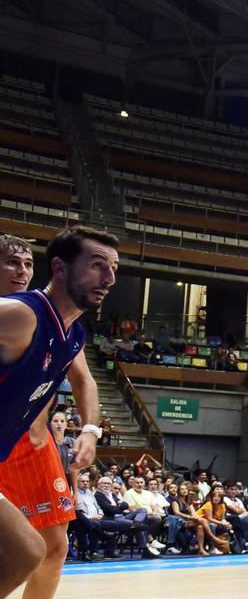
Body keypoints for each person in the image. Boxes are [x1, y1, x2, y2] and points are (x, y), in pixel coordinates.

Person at [0, 229, 114, 597]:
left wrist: (91, 429)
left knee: (41, 550)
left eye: (113, 269)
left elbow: (86, 384)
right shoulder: (22, 314)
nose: (109, 278)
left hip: (23, 446)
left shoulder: (71, 333)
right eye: (98, 266)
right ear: (61, 269)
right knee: (26, 551)